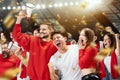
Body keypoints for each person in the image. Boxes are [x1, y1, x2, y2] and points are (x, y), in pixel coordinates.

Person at [12, 11, 57, 80]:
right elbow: (16, 36)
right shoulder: (33, 40)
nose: (41, 31)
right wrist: (18, 20)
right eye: (40, 29)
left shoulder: (55, 45)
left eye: (44, 29)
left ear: (51, 30)